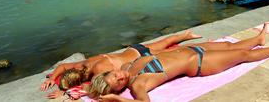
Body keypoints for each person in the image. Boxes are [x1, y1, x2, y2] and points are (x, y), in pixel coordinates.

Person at [88, 30, 269, 101]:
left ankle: (258, 40)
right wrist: (115, 99)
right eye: (117, 84)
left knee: (225, 45)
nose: (119, 78)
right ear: (119, 89)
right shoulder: (137, 85)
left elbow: (152, 52)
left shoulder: (127, 64)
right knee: (241, 54)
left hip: (190, 50)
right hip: (198, 64)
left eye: (114, 76)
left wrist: (86, 90)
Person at [40, 31, 202, 99]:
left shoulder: (99, 72)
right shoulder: (83, 63)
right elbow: (62, 67)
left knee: (171, 51)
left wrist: (65, 93)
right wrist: (52, 77)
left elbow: (95, 90)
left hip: (141, 56)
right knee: (166, 42)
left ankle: (189, 41)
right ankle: (186, 35)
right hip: (133, 50)